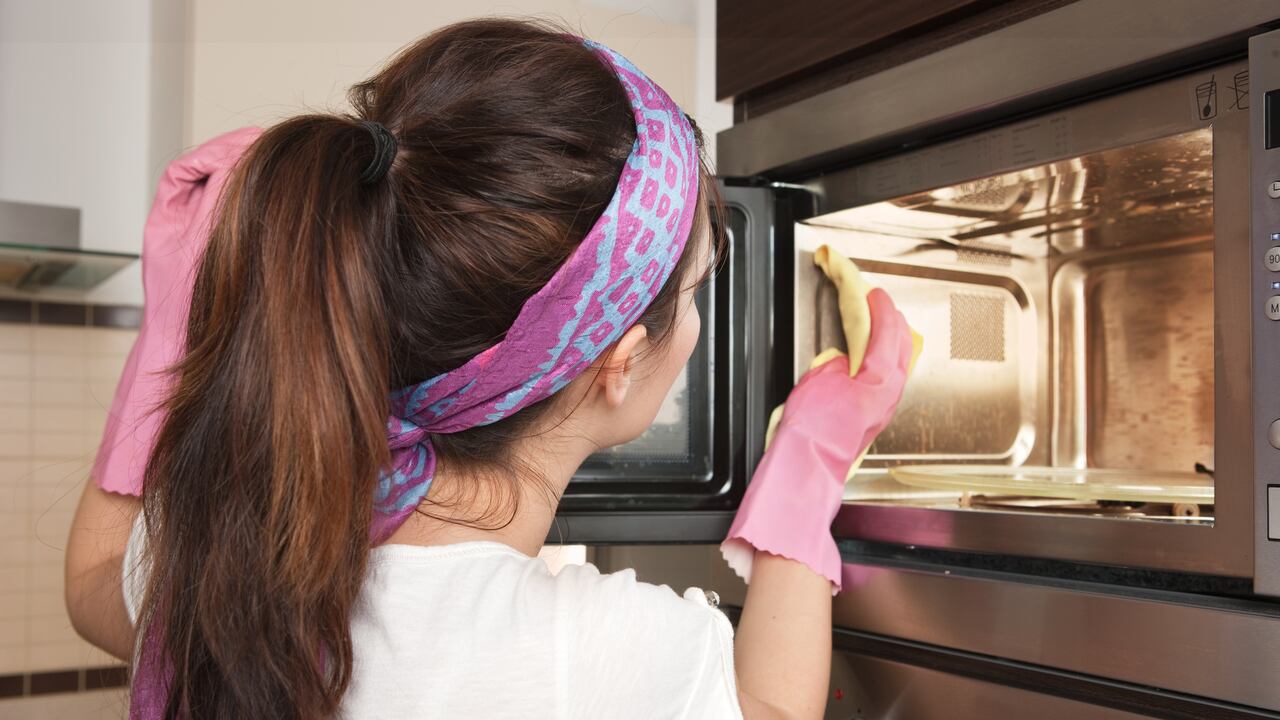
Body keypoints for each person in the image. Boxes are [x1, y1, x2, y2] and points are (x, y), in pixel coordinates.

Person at [64, 18, 912, 720]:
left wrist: (177, 322)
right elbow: (770, 708)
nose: (692, 323)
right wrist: (807, 466)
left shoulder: (224, 561)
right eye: (690, 296)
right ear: (616, 362)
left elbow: (95, 583)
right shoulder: (594, 657)